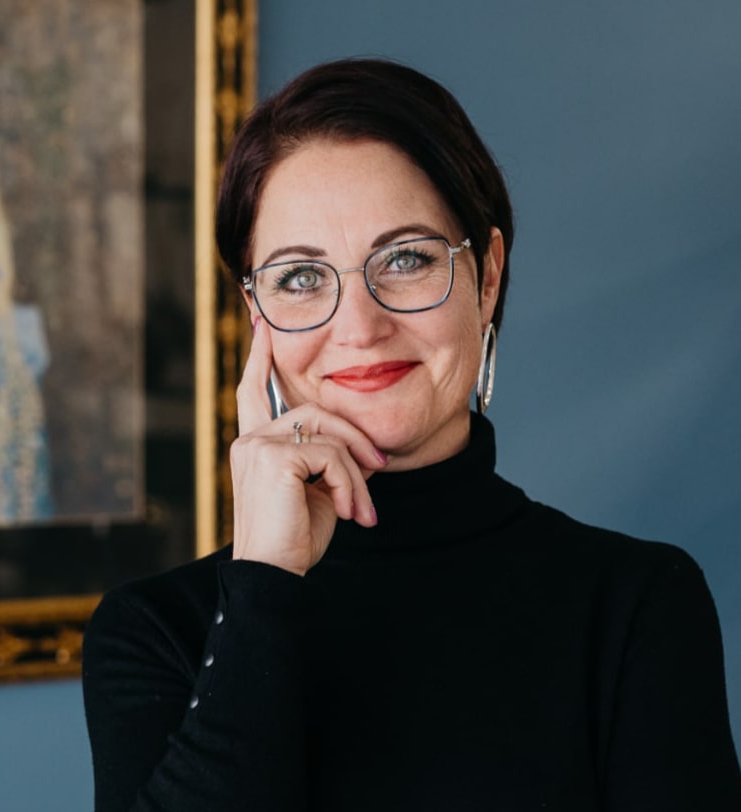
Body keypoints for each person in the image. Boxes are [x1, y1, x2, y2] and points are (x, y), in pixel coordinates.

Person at [83, 59, 741, 811]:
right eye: (300, 277)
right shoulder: (155, 631)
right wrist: (263, 585)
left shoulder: (637, 604)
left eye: (405, 259)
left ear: (486, 277)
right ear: (256, 314)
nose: (359, 326)